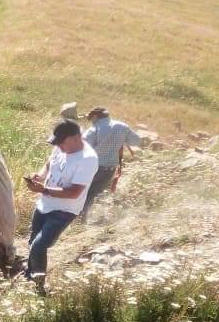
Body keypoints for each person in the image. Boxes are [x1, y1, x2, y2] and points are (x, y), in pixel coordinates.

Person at [23, 120, 99, 291]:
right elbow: (50, 163)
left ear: (76, 138)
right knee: (32, 240)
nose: (59, 147)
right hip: (44, 203)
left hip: (65, 210)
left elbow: (74, 193)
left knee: (39, 245)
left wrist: (44, 190)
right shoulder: (60, 146)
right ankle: (29, 273)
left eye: (62, 143)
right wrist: (40, 176)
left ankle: (39, 286)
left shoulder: (88, 159)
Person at [81, 107, 143, 219]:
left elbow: (81, 148)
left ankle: (78, 219)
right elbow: (137, 141)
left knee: (83, 193)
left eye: (91, 119)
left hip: (93, 167)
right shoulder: (122, 127)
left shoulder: (94, 129)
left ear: (95, 117)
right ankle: (89, 218)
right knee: (95, 194)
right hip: (110, 170)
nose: (91, 121)